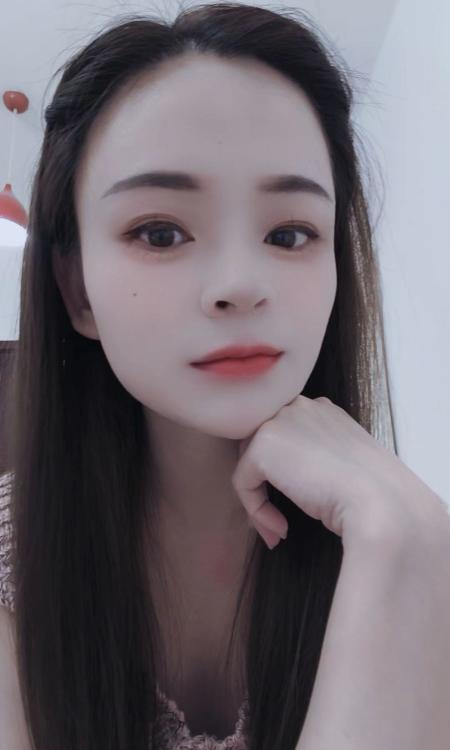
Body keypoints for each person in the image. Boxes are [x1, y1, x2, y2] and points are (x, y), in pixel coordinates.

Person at [3, 4, 448, 750]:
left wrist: (409, 548)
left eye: (289, 233)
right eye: (160, 232)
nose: (240, 284)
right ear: (77, 291)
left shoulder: (399, 536)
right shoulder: (13, 563)